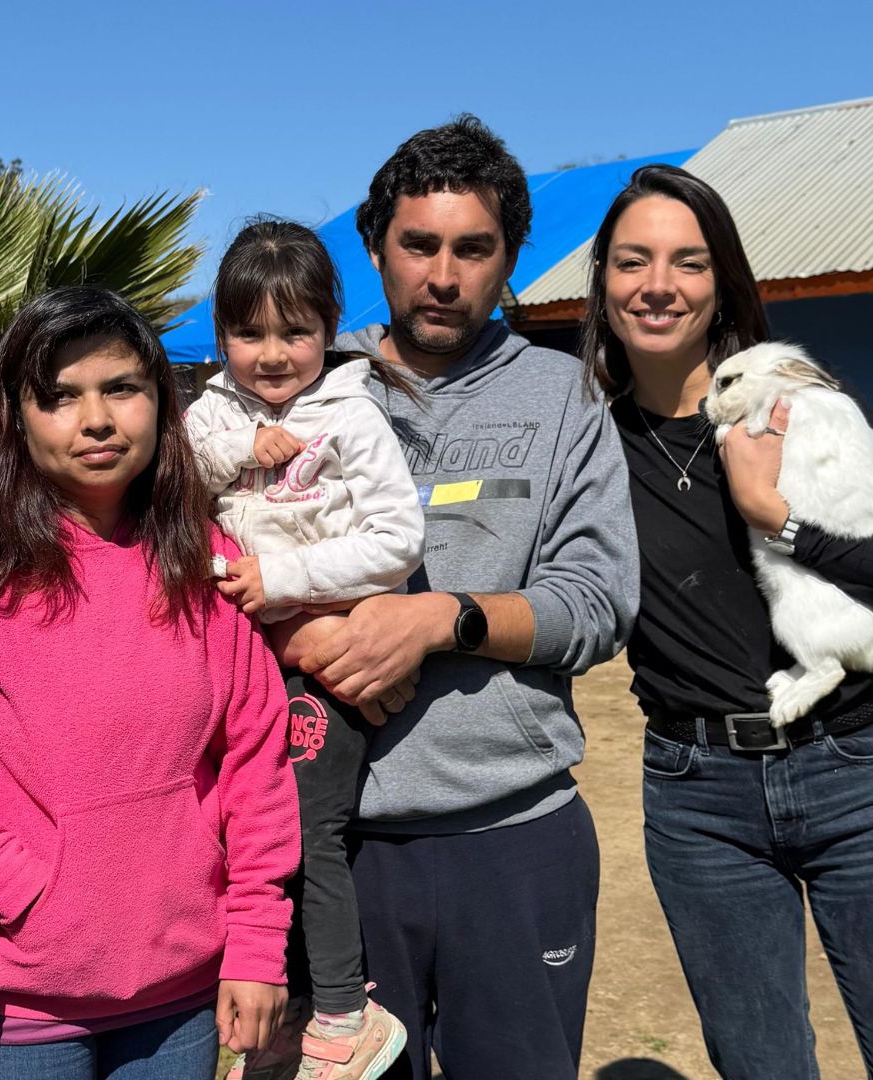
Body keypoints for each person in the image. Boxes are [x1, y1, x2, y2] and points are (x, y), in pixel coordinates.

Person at [577, 163, 873, 1079]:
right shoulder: (590, 449)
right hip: (697, 797)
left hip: (862, 773)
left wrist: (782, 520)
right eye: (633, 261)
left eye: (688, 262)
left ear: (721, 279)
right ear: (601, 280)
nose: (658, 285)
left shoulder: (811, 412)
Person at [265, 116, 639, 1080]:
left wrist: (443, 619)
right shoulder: (298, 382)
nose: (444, 274)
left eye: (474, 249)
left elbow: (597, 603)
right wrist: (314, 633)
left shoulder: (566, 397)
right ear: (375, 247)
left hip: (514, 836)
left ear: (510, 256)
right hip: (337, 852)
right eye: (418, 245)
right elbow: (206, 556)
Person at [0, 285, 299, 1080]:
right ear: (16, 418)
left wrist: (259, 944)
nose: (96, 420)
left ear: (161, 402)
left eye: (120, 388)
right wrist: (14, 879)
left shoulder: (203, 561)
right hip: (16, 1005)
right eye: (60, 397)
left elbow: (255, 759)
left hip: (178, 995)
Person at [183, 219, 423, 1080]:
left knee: (304, 831)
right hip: (240, 662)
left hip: (323, 662)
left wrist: (280, 579)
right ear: (221, 337)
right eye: (249, 333)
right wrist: (240, 448)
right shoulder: (212, 413)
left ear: (330, 327)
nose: (273, 354)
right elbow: (171, 480)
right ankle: (281, 1011)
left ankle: (340, 1015)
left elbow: (398, 541)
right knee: (235, 832)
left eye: (296, 331)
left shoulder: (351, 417)